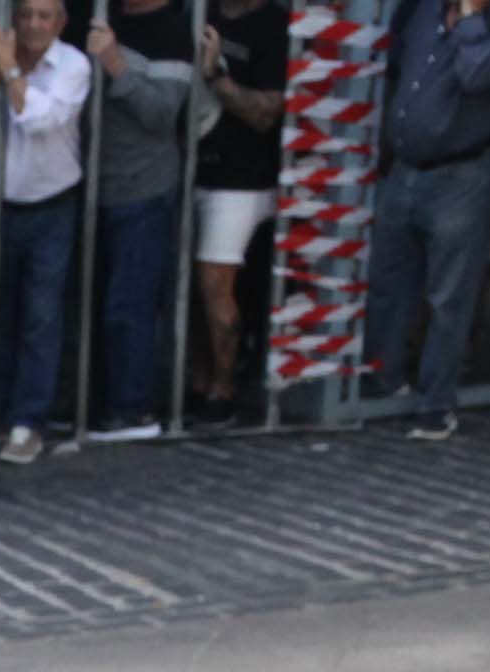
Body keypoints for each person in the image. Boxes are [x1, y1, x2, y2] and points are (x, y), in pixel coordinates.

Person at [366, 0, 490, 436]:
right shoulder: (422, 9)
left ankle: (436, 403)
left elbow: (477, 74)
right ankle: (384, 382)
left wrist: (471, 20)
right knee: (387, 281)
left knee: (448, 297)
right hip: (404, 170)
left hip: (461, 176)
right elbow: (397, 69)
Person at [0, 0, 87, 460]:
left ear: (61, 23)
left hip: (50, 206)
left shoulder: (73, 65)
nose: (33, 24)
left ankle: (28, 420)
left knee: (41, 314)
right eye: (26, 14)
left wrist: (8, 71)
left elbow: (39, 121)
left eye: (44, 16)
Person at [82, 0, 199, 439]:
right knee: (93, 305)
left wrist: (115, 64)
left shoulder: (172, 34)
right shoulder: (99, 16)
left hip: (143, 188)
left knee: (128, 306)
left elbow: (162, 114)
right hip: (92, 185)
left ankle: (131, 410)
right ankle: (93, 403)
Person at [186, 0, 289, 420]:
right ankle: (196, 382)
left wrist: (216, 76)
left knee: (215, 285)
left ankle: (223, 391)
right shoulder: (198, 11)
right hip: (188, 166)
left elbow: (266, 114)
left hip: (243, 180)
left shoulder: (275, 26)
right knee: (189, 289)